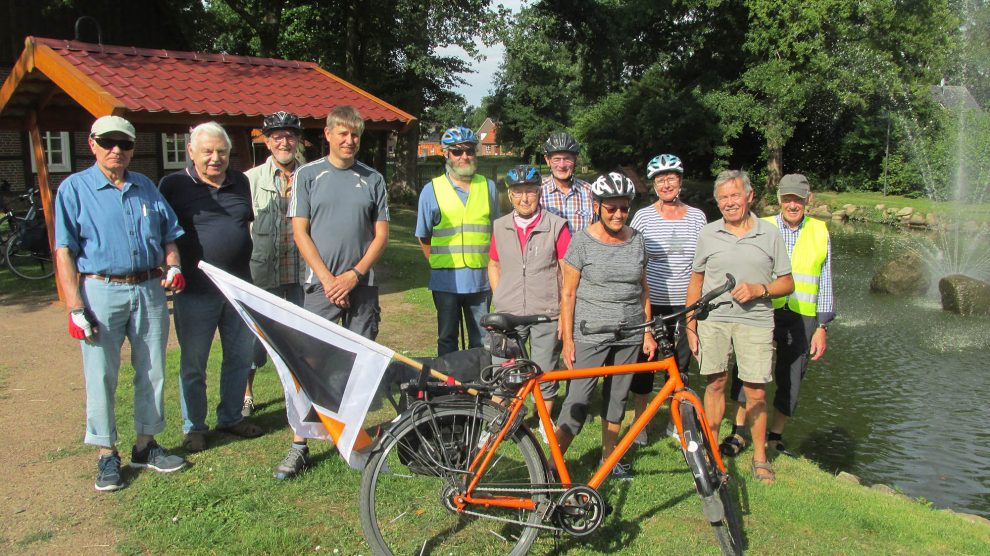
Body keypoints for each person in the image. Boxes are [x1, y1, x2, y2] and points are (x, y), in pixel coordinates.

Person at [54, 115, 187, 491]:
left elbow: (169, 236)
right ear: (92, 143)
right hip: (101, 289)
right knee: (101, 373)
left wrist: (173, 264)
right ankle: (105, 453)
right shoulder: (74, 189)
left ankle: (146, 445)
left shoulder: (146, 186)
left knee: (152, 368)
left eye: (125, 144)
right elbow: (64, 250)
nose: (117, 150)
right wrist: (74, 306)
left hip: (148, 288)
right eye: (109, 142)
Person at [283, 105, 389, 479]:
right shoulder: (307, 176)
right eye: (342, 133)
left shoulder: (373, 178)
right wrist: (329, 279)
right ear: (327, 134)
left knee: (360, 365)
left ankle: (353, 439)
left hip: (362, 286)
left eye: (355, 134)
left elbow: (381, 235)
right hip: (320, 287)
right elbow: (300, 231)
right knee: (309, 363)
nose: (349, 140)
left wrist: (354, 276)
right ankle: (300, 444)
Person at [685, 170, 794, 485]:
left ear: (749, 196)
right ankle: (710, 451)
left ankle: (760, 457)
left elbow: (787, 282)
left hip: (755, 322)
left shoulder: (769, 233)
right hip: (713, 320)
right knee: (715, 384)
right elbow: (697, 280)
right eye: (723, 198)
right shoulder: (708, 233)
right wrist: (690, 322)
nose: (729, 203)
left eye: (734, 195)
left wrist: (760, 289)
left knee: (756, 391)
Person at [159, 121, 261, 453]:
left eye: (222, 151)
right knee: (193, 363)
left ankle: (230, 417)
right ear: (191, 152)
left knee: (239, 357)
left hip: (238, 289)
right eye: (207, 152)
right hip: (195, 292)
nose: (215, 158)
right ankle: (194, 427)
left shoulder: (240, 181)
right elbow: (163, 233)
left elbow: (241, 224)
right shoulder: (173, 185)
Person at [722, 173, 834, 457]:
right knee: (747, 369)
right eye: (787, 199)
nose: (792, 205)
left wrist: (822, 325)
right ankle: (739, 432)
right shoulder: (762, 226)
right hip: (763, 309)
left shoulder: (820, 231)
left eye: (798, 199)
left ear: (808, 200)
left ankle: (775, 437)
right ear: (779, 199)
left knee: (792, 375)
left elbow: (826, 280)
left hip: (802, 315)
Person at [554, 172, 657, 480]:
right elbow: (568, 293)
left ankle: (608, 460)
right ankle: (551, 464)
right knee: (577, 399)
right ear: (597, 206)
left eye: (624, 208)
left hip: (630, 333)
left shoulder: (637, 240)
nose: (618, 214)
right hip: (590, 334)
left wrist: (647, 331)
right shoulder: (582, 241)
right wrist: (569, 340)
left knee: (618, 398)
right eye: (611, 208)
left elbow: (644, 289)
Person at [488, 165, 572, 441]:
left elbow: (565, 270)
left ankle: (544, 421)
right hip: (508, 312)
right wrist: (500, 295)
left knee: (544, 368)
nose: (525, 198)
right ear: (510, 196)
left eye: (530, 192)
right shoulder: (500, 226)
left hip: (545, 312)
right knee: (504, 368)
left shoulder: (556, 226)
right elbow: (494, 264)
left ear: (539, 193)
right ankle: (499, 422)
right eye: (518, 193)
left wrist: (562, 310)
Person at [628, 154, 707, 445]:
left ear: (680, 181)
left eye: (671, 178)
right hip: (652, 303)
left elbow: (702, 264)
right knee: (645, 364)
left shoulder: (697, 217)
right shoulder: (643, 217)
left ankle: (679, 421)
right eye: (660, 179)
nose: (666, 184)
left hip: (684, 305)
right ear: (653, 184)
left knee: (680, 367)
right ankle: (640, 422)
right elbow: (635, 260)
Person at [242, 111, 306, 417]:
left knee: (299, 339)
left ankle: (300, 394)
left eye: (290, 136)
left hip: (300, 272)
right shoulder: (250, 180)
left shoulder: (313, 176)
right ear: (267, 142)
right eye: (278, 136)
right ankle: (246, 394)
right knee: (255, 337)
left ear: (298, 140)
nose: (285, 142)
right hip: (263, 273)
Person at [415, 126, 499, 356]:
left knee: (482, 339)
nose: (464, 157)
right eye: (457, 152)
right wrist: (435, 262)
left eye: (469, 151)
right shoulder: (431, 190)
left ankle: (480, 388)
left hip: (480, 281)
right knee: (447, 338)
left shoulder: (488, 187)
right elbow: (424, 236)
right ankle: (449, 387)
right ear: (446, 154)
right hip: (446, 281)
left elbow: (497, 232)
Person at [540, 132, 596, 233]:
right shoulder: (537, 192)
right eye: (556, 159)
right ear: (547, 160)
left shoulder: (590, 192)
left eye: (567, 159)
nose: (562, 165)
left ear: (575, 160)